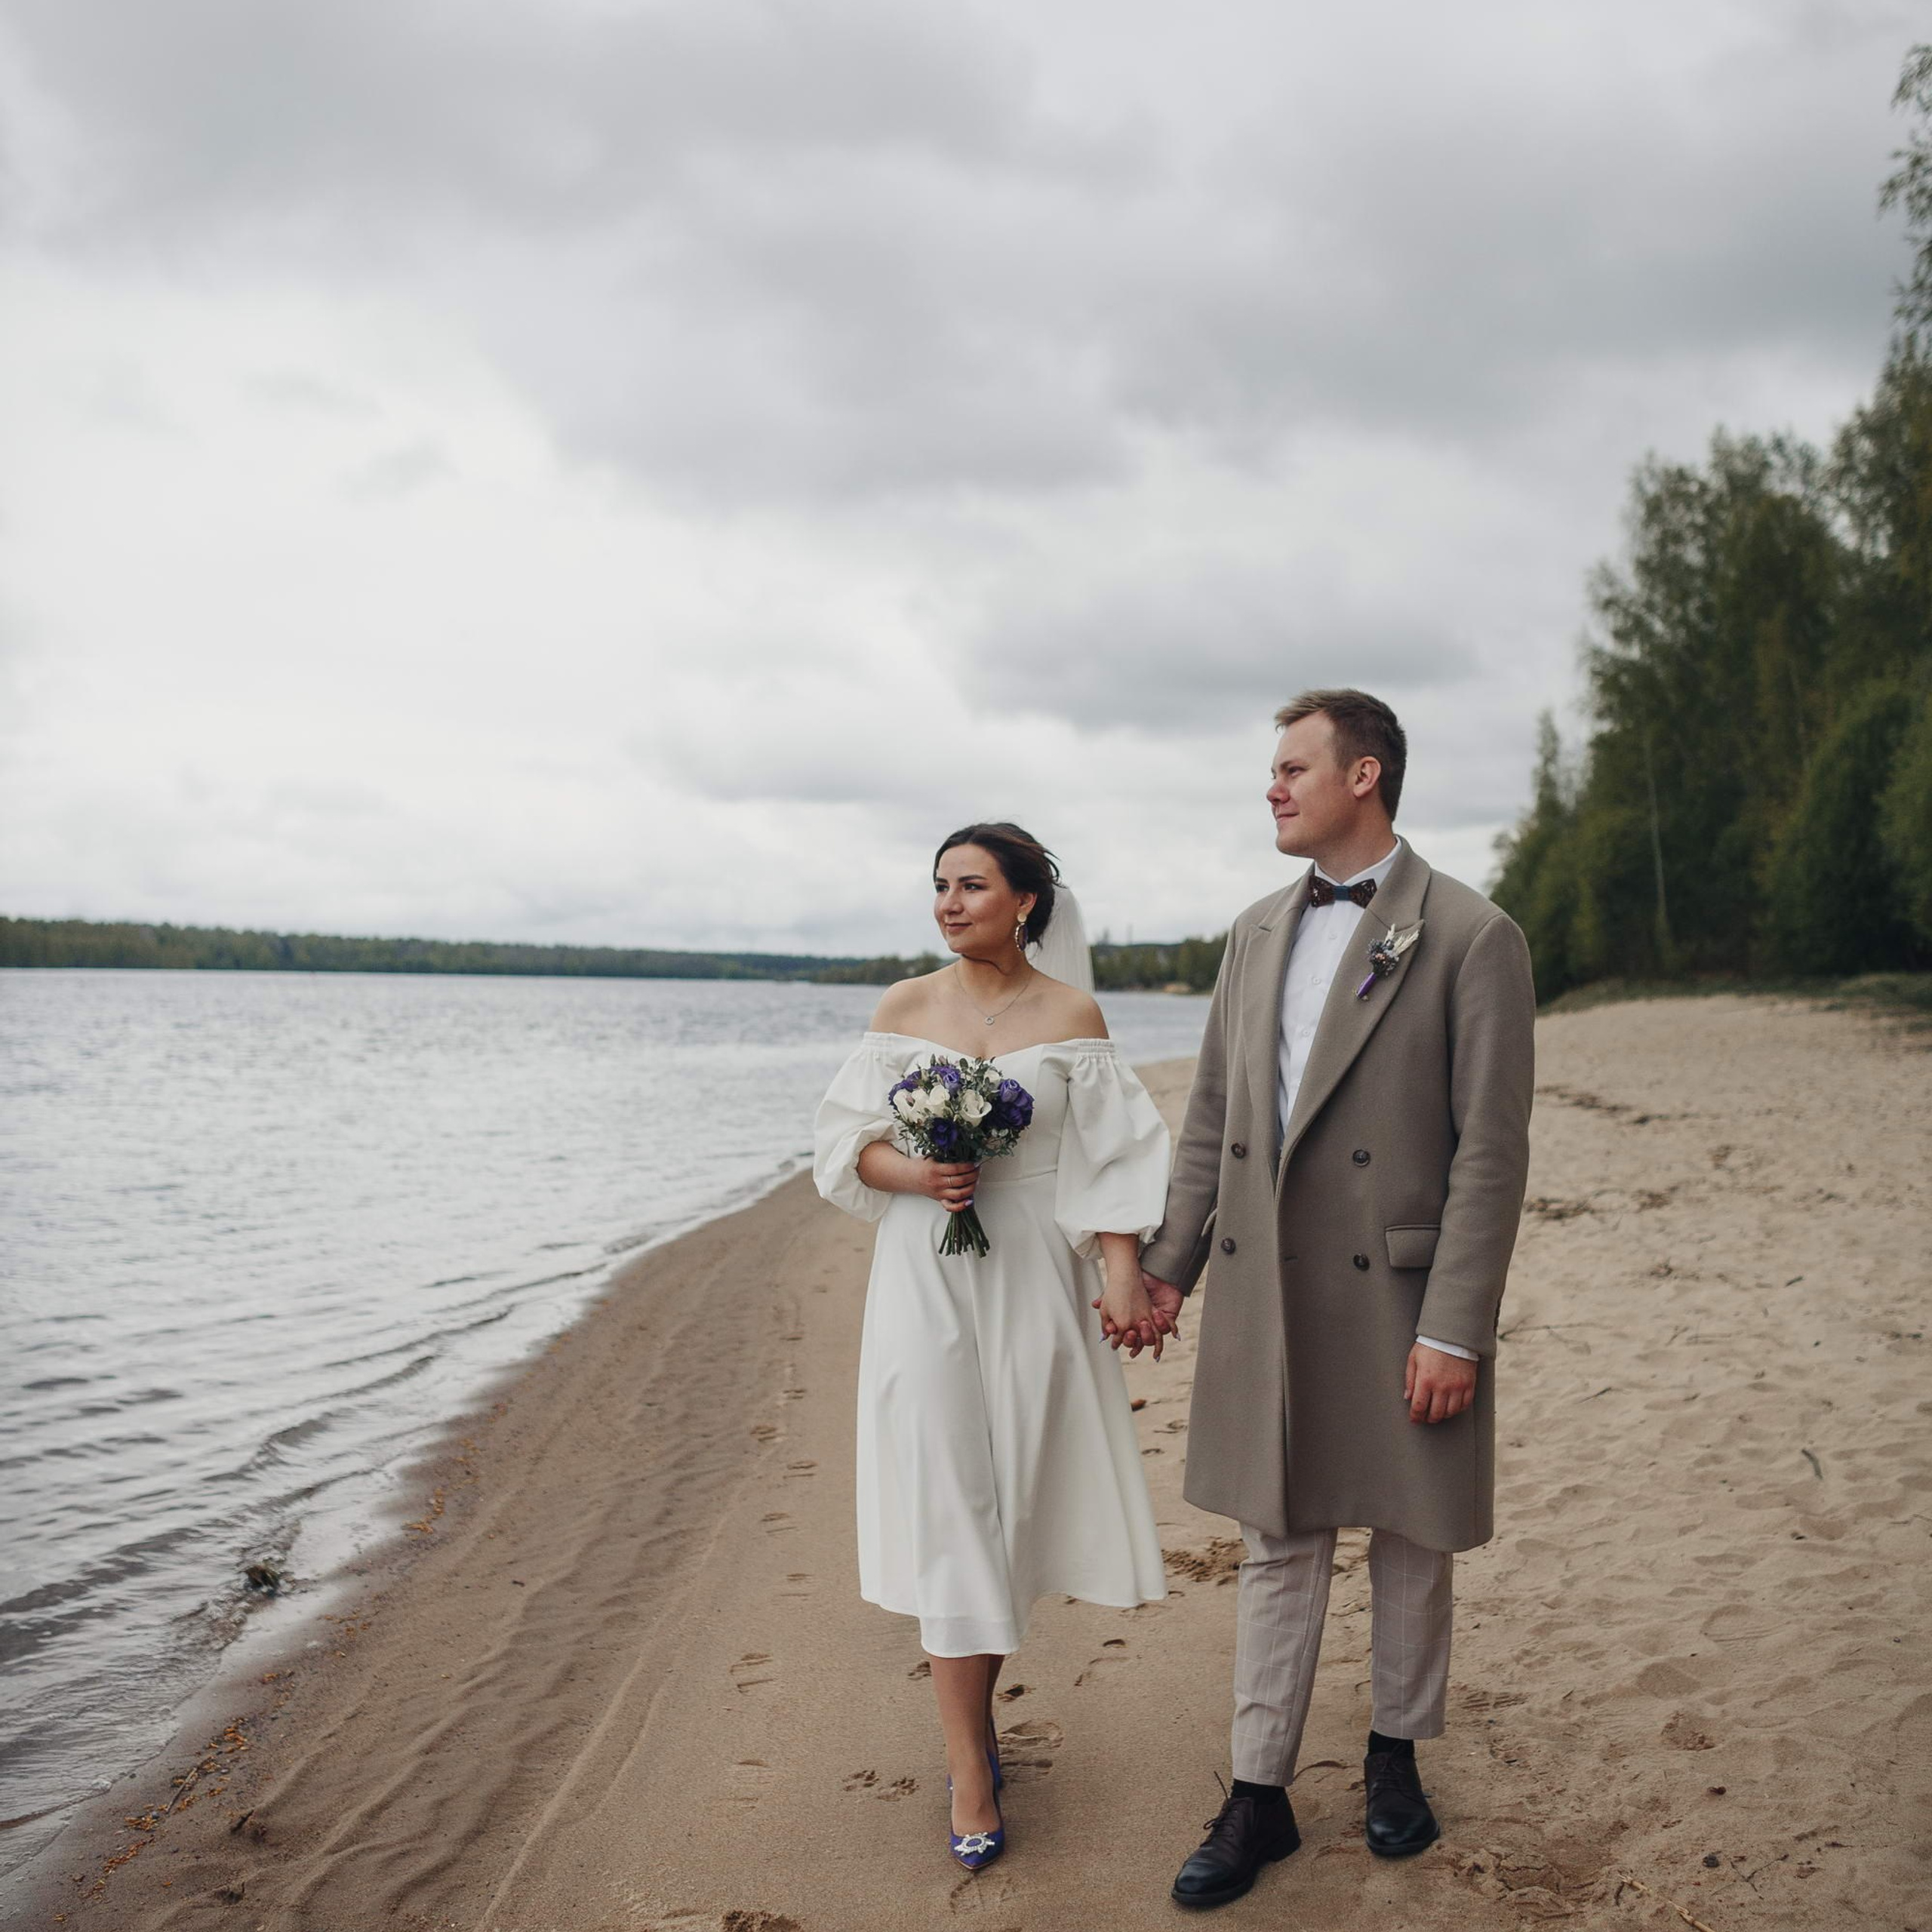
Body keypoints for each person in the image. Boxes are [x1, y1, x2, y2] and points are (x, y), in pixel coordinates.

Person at [1127, 690, 1535, 1909]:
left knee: (1411, 1541)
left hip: (1404, 1293)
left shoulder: (1471, 934)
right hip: (1273, 1291)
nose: (1272, 785)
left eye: (1292, 766)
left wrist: (1456, 1324)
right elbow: (1211, 1122)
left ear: (1365, 775)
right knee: (1277, 1538)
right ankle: (1258, 1794)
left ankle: (1395, 1756)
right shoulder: (1254, 933)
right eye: (1271, 767)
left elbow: (1491, 1153)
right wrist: (1166, 1265)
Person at [812, 822, 1173, 1874]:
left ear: (1025, 901)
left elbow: (1110, 1160)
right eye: (939, 887)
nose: (949, 903)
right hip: (924, 1279)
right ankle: (970, 1760)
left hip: (1028, 1279)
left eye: (971, 886)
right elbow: (843, 1148)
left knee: (1006, 1500)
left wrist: (1118, 1273)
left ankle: (979, 1724)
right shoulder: (904, 1011)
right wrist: (919, 1175)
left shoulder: (1073, 1017)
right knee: (950, 1501)